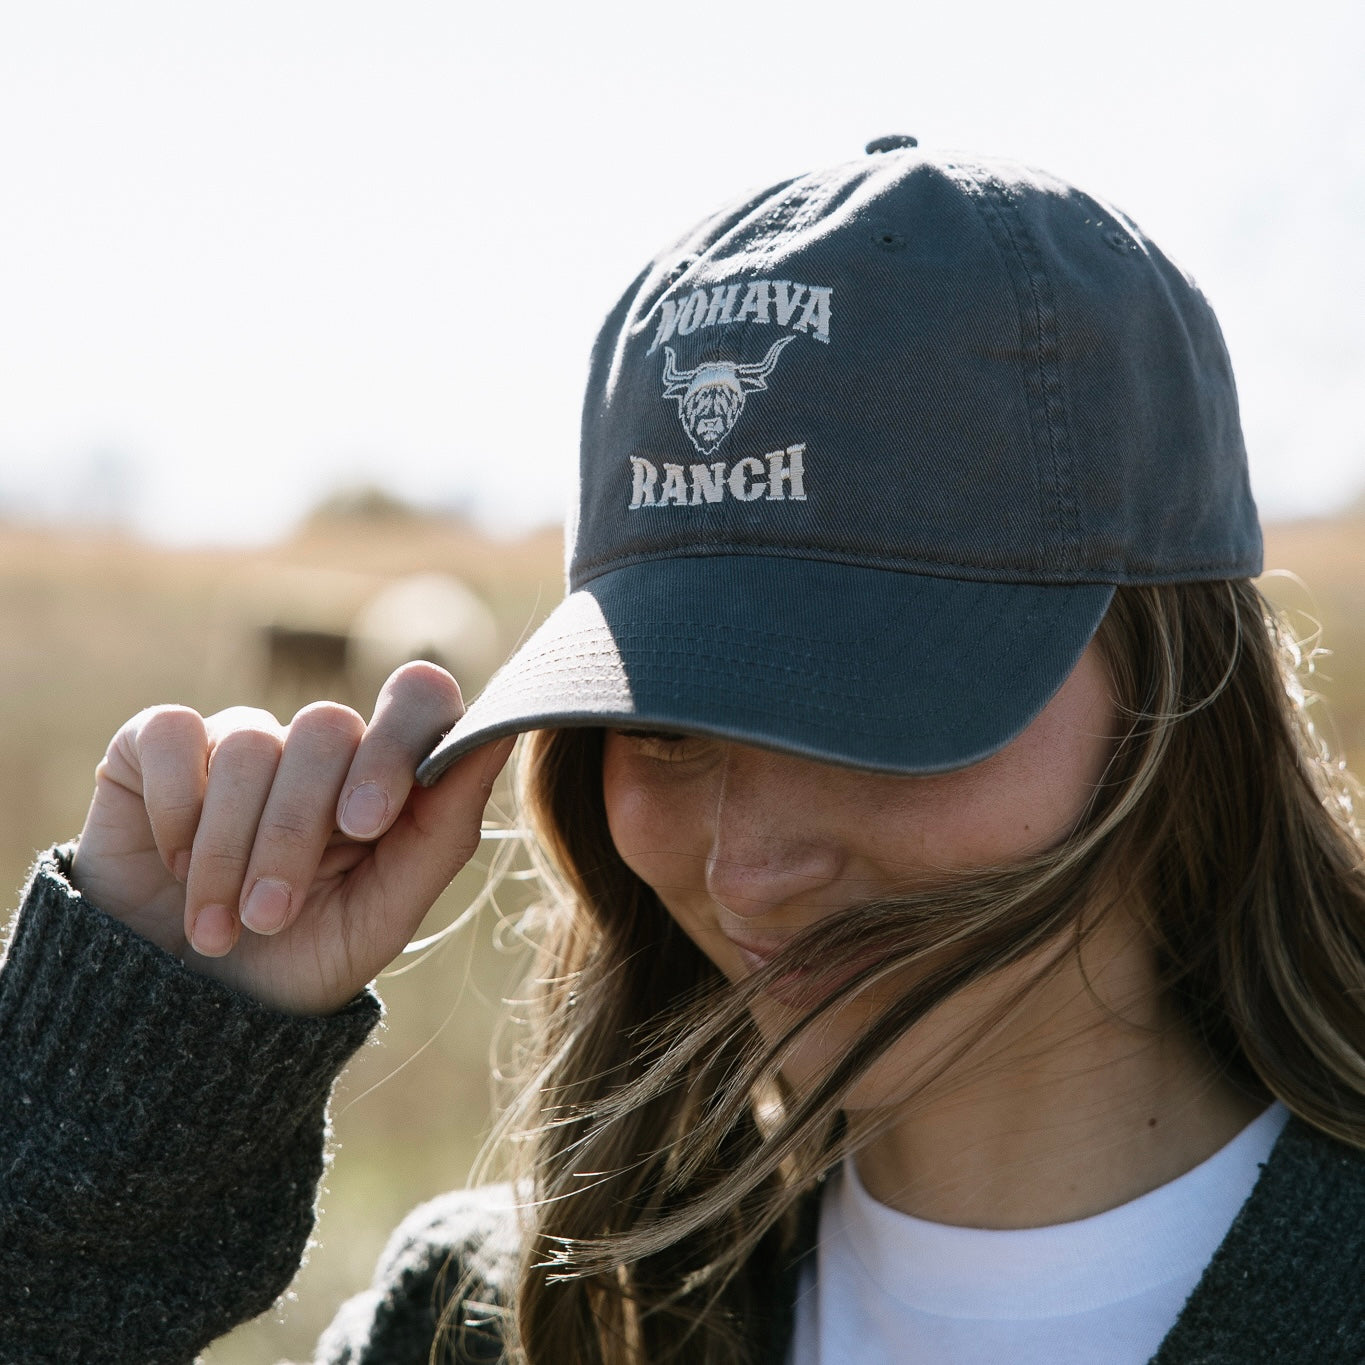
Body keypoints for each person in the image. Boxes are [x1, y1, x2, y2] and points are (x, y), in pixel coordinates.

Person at [3, 137, 1363, 1365]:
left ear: (1178, 689)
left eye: (877, 699)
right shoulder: (497, 1324)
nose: (747, 865)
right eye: (660, 723)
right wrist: (112, 1136)